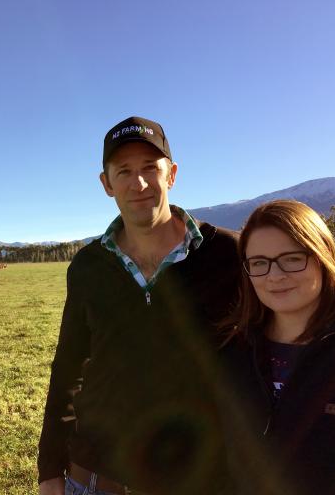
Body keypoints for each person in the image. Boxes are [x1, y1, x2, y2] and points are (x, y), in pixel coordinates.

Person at [37, 116, 241, 495]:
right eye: (124, 171)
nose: (139, 183)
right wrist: (50, 468)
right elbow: (67, 367)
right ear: (106, 183)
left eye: (151, 167)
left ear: (172, 174)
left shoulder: (228, 255)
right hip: (96, 478)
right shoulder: (88, 266)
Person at [219, 199, 335, 495]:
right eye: (259, 263)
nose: (275, 275)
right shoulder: (234, 352)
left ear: (322, 257)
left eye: (292, 258)